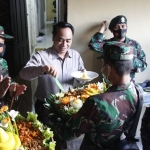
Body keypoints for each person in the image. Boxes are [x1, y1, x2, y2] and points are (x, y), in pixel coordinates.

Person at [51, 41, 139, 150]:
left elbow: (67, 134)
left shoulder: (97, 102)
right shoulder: (138, 91)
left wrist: (52, 117)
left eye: (103, 63)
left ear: (108, 68)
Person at [19, 21, 85, 126]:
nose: (64, 45)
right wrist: (42, 69)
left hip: (67, 105)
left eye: (68, 41)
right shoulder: (41, 56)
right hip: (45, 106)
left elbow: (81, 79)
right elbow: (23, 74)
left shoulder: (76, 55)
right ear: (53, 37)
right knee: (47, 136)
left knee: (63, 134)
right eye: (60, 40)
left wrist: (83, 76)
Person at [88, 15, 147, 81]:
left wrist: (128, 60)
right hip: (109, 84)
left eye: (123, 26)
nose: (121, 29)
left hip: (129, 85)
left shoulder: (134, 45)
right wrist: (102, 29)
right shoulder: (107, 45)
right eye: (116, 27)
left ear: (127, 27)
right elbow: (93, 44)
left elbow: (143, 65)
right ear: (111, 30)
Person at [0, 25, 27, 108]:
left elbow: (6, 80)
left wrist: (11, 90)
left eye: (2, 42)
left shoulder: (2, 62)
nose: (1, 46)